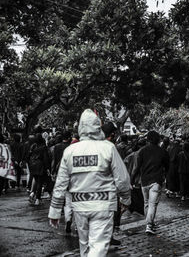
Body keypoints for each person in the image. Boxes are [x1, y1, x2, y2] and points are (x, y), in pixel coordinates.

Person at [48, 109, 131, 257]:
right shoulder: (108, 148)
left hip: (79, 206)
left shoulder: (70, 151)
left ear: (80, 128)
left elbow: (61, 183)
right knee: (98, 246)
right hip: (103, 205)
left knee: (84, 246)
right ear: (98, 127)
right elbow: (122, 178)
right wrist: (126, 199)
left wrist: (55, 211)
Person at [136, 130, 169, 235]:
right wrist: (166, 178)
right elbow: (167, 167)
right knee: (152, 204)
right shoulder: (162, 151)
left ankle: (149, 223)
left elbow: (136, 167)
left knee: (146, 203)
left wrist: (132, 179)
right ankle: (149, 225)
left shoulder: (142, 151)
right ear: (158, 139)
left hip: (144, 181)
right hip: (156, 180)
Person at [28, 134, 51, 206]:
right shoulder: (43, 147)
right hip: (40, 166)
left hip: (33, 165)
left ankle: (32, 194)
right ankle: (37, 199)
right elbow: (45, 158)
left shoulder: (33, 146)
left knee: (37, 181)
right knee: (40, 183)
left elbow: (29, 155)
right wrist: (48, 168)